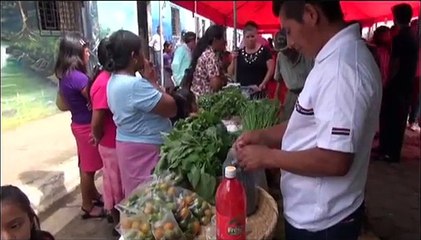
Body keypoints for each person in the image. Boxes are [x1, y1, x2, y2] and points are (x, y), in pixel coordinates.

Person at [236, 1, 382, 240]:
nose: (290, 42)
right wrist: (262, 136)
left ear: (311, 14)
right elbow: (306, 127)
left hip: (323, 221)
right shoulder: (332, 59)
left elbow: (335, 160)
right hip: (317, 212)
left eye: (289, 30)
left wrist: (267, 156)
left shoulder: (340, 71)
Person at [106, 30, 177, 197]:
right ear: (134, 56)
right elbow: (171, 108)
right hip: (144, 151)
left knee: (139, 199)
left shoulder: (113, 80)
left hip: (130, 146)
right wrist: (152, 80)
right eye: (142, 52)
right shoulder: (134, 85)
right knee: (150, 200)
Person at [54, 33, 105, 219]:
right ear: (76, 53)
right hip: (86, 127)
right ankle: (87, 206)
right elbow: (95, 100)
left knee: (85, 164)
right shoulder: (79, 78)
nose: (88, 54)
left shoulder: (65, 75)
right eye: (85, 51)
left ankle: (93, 196)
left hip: (78, 123)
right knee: (88, 168)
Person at [89, 37, 123, 233]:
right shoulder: (104, 83)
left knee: (115, 181)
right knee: (115, 183)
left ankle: (117, 216)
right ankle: (117, 221)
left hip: (115, 142)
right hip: (110, 143)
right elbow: (97, 119)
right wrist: (97, 135)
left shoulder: (111, 79)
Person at [378, 3, 418, 162]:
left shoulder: (400, 38)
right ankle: (393, 152)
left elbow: (395, 64)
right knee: (400, 119)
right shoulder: (412, 36)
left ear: (396, 17)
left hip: (397, 85)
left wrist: (387, 81)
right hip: (407, 83)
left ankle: (387, 151)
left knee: (390, 118)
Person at [274, 28, 314, 121]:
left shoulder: (306, 54)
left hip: (307, 93)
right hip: (291, 95)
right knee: (287, 122)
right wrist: (276, 97)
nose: (285, 53)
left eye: (287, 50)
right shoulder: (280, 56)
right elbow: (278, 79)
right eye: (282, 51)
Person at [228, 21, 274, 95]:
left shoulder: (265, 51)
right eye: (248, 37)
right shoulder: (238, 53)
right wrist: (234, 59)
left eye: (252, 36)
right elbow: (230, 72)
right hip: (242, 93)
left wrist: (263, 83)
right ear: (244, 37)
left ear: (256, 36)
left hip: (259, 91)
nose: (250, 39)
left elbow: (271, 69)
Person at [190, 25, 227, 96]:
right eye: (223, 38)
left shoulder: (206, 52)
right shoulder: (210, 57)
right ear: (215, 40)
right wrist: (223, 81)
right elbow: (215, 85)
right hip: (204, 99)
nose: (224, 42)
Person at [407, 18, 420, 132]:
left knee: (415, 98)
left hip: (416, 73)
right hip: (414, 73)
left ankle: (413, 119)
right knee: (415, 98)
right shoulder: (413, 39)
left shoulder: (413, 39)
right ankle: (413, 120)